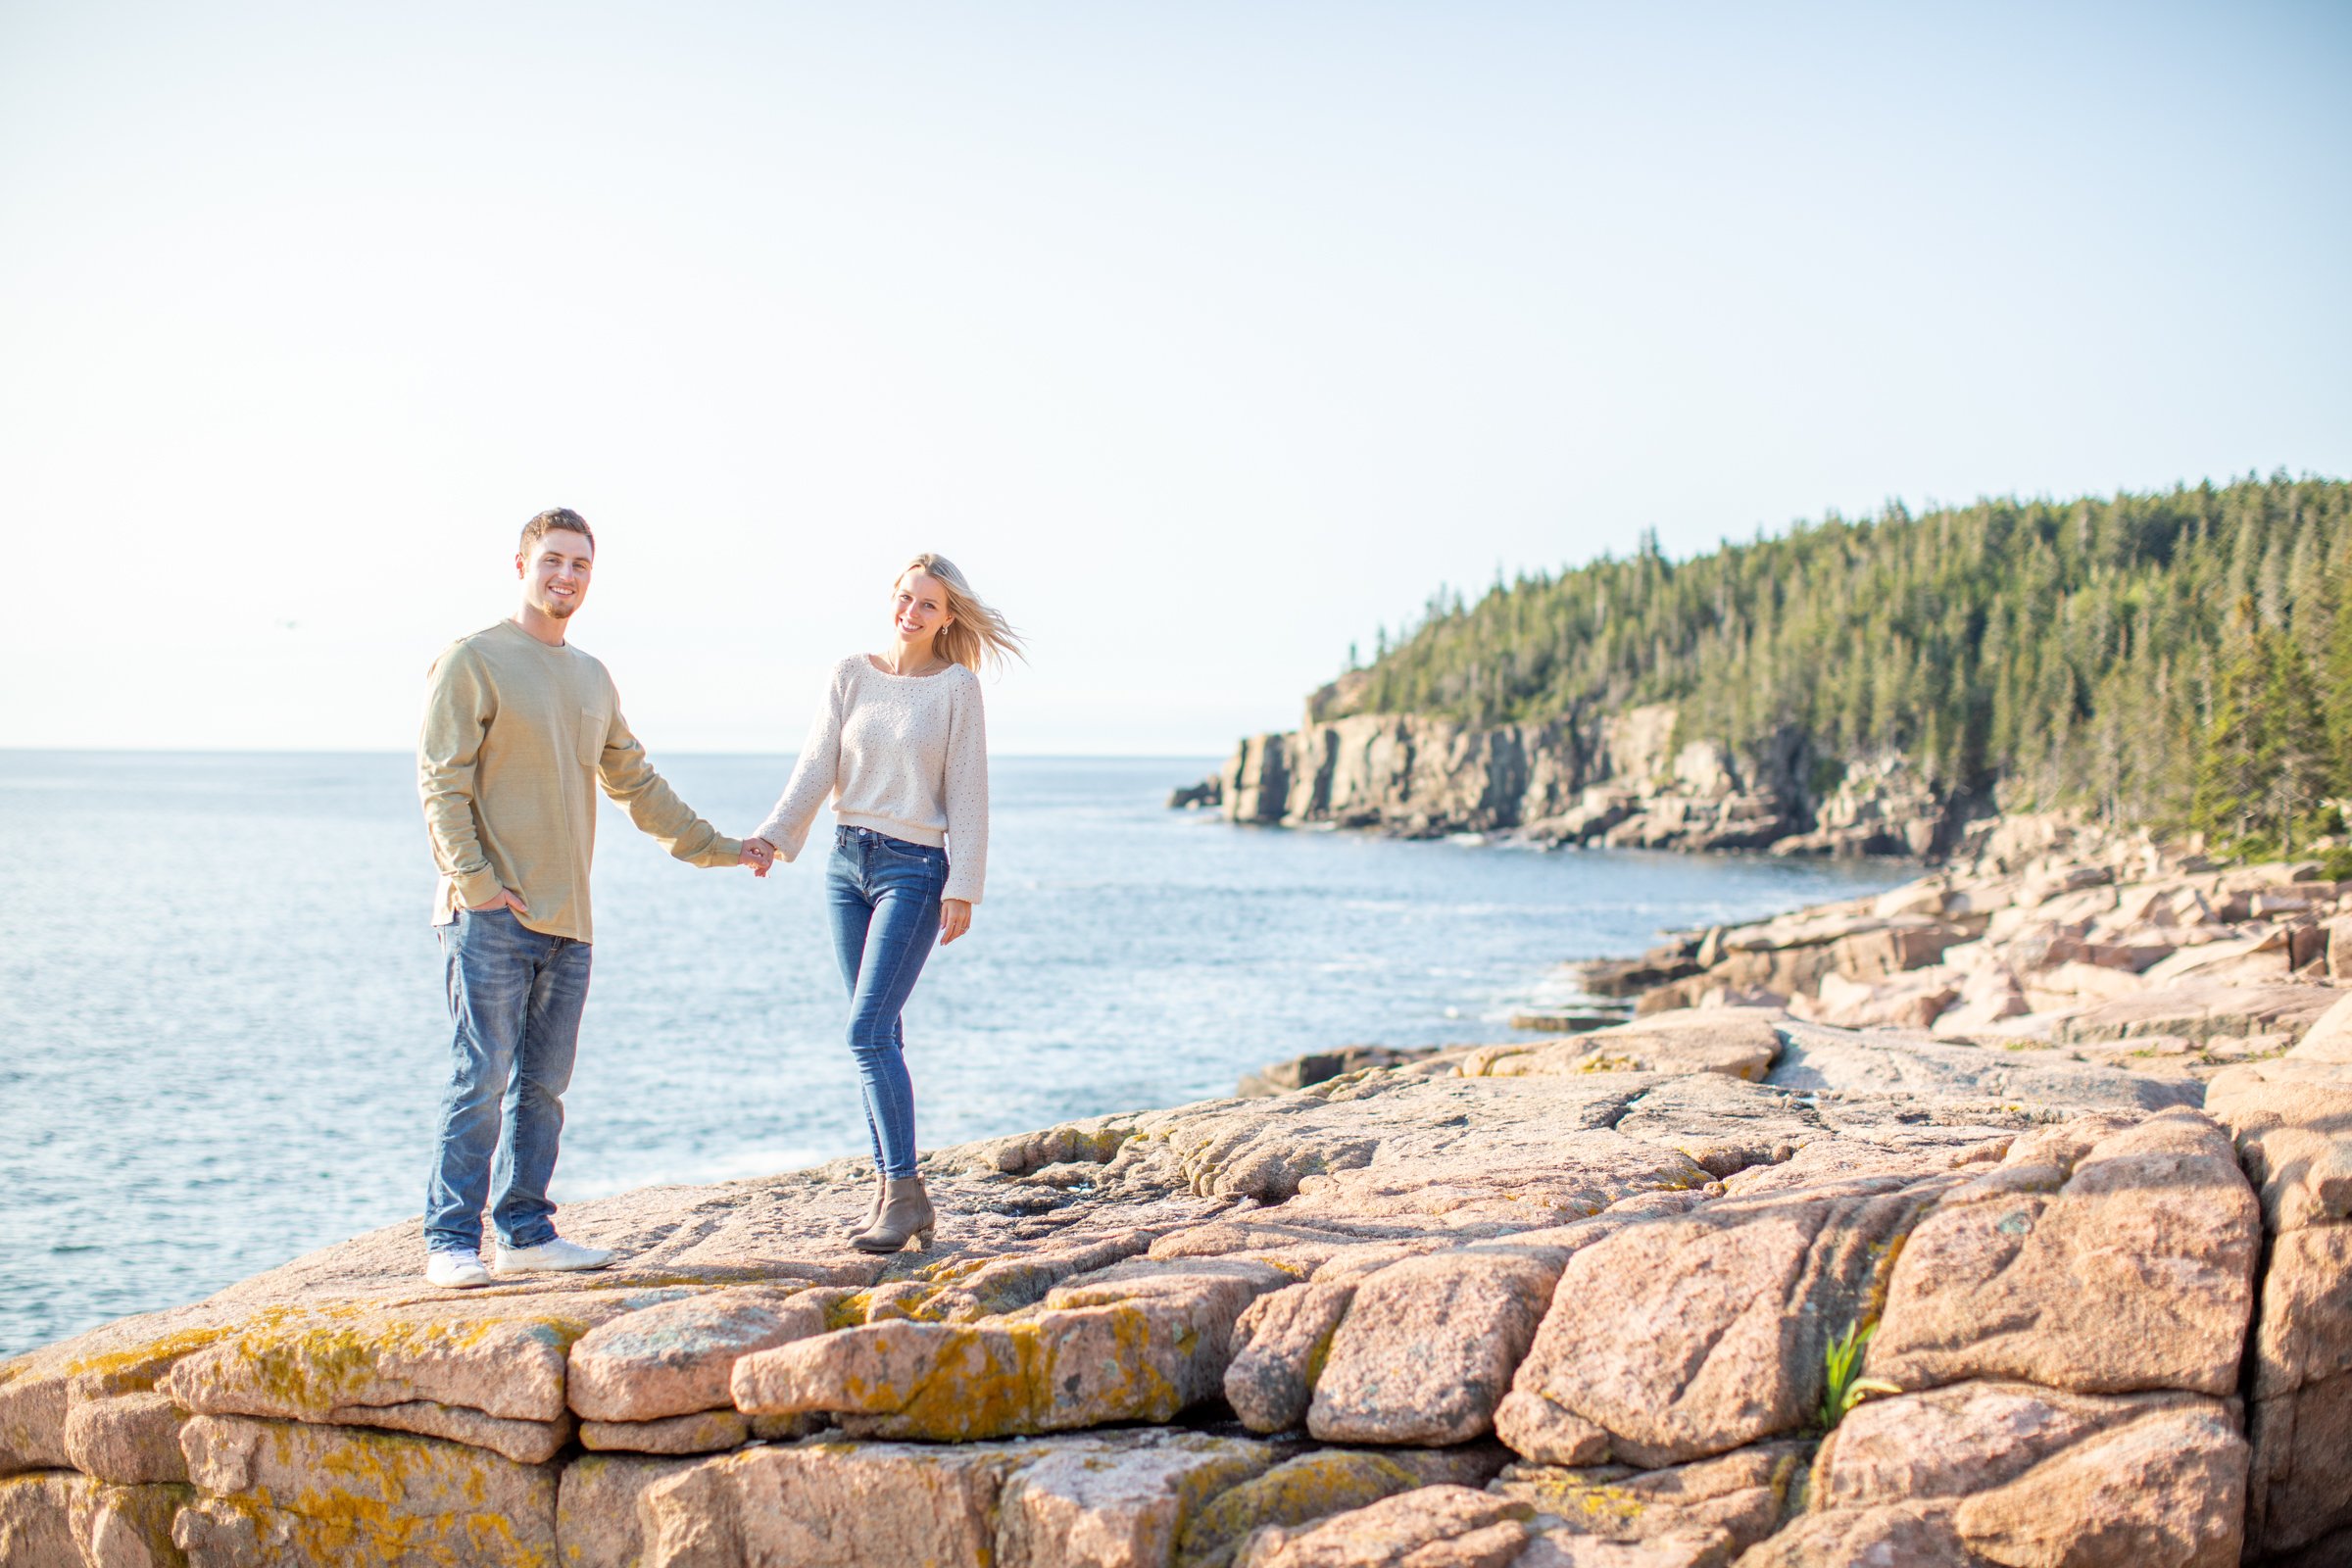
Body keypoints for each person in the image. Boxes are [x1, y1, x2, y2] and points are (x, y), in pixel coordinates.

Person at [416, 509, 772, 1289]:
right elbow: (441, 782)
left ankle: (524, 1231)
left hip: (569, 921)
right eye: (552, 561)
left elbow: (636, 786)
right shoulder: (472, 660)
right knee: (480, 1077)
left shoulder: (592, 678)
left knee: (543, 1087)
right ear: (520, 567)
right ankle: (450, 1242)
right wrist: (476, 884)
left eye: (579, 565)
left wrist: (721, 847)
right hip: (489, 917)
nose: (565, 577)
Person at [747, 553, 1020, 1252]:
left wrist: (965, 884)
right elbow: (816, 765)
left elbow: (968, 790)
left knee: (865, 1034)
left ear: (947, 616)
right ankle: (893, 1196)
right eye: (905, 598)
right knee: (881, 1035)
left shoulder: (957, 688)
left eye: (928, 604)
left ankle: (905, 1193)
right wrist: (775, 838)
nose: (911, 612)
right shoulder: (850, 674)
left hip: (915, 872)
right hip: (845, 865)